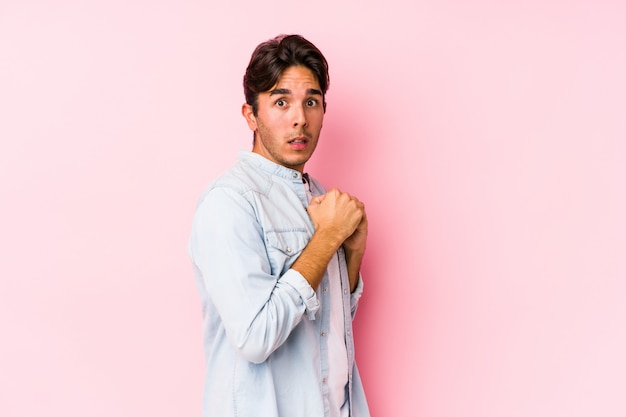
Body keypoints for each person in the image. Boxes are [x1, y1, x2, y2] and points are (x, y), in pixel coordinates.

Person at [188, 34, 370, 417]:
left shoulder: (320, 198)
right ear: (250, 115)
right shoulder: (230, 202)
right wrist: (329, 236)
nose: (299, 117)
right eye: (281, 101)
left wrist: (351, 255)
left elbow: (327, 329)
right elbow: (255, 337)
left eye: (311, 101)